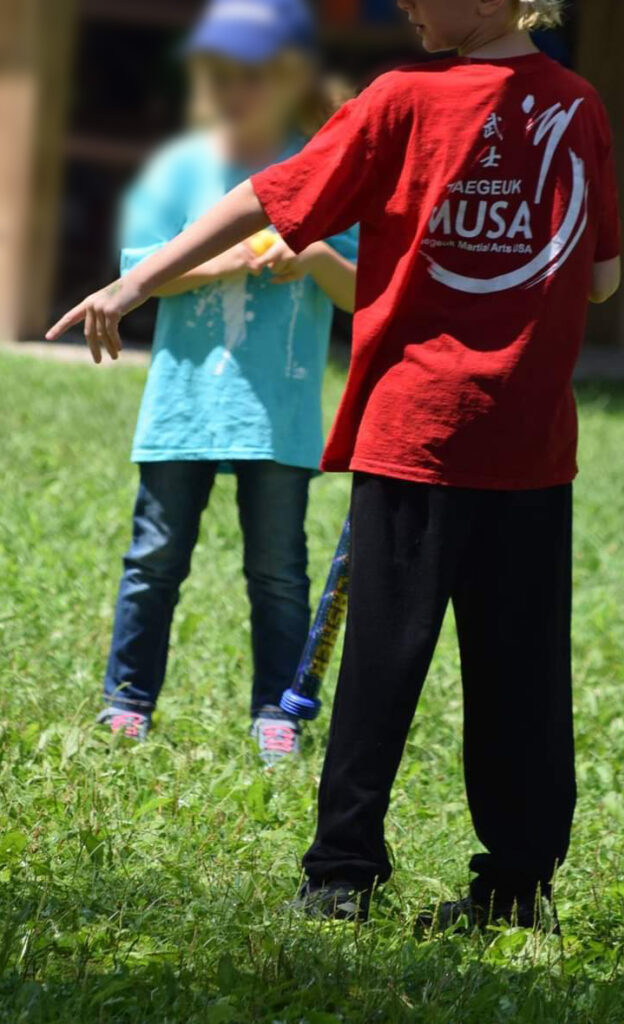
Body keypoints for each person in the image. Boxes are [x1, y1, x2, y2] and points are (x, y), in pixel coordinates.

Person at [48, 0, 622, 928]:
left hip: (415, 433)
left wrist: (135, 281)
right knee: (521, 677)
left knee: (379, 670)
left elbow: (270, 197)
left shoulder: (399, 99)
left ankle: (341, 879)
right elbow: (600, 278)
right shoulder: (579, 107)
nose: (401, 3)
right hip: (526, 444)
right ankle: (516, 891)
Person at [81, 0, 359, 761]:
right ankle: (128, 700)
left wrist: (314, 260)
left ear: (293, 75)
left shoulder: (323, 170)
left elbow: (364, 296)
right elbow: (139, 277)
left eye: (253, 74)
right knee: (155, 561)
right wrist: (237, 257)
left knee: (277, 571)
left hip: (280, 414)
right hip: (183, 406)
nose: (232, 88)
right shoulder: (181, 169)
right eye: (217, 73)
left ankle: (278, 708)